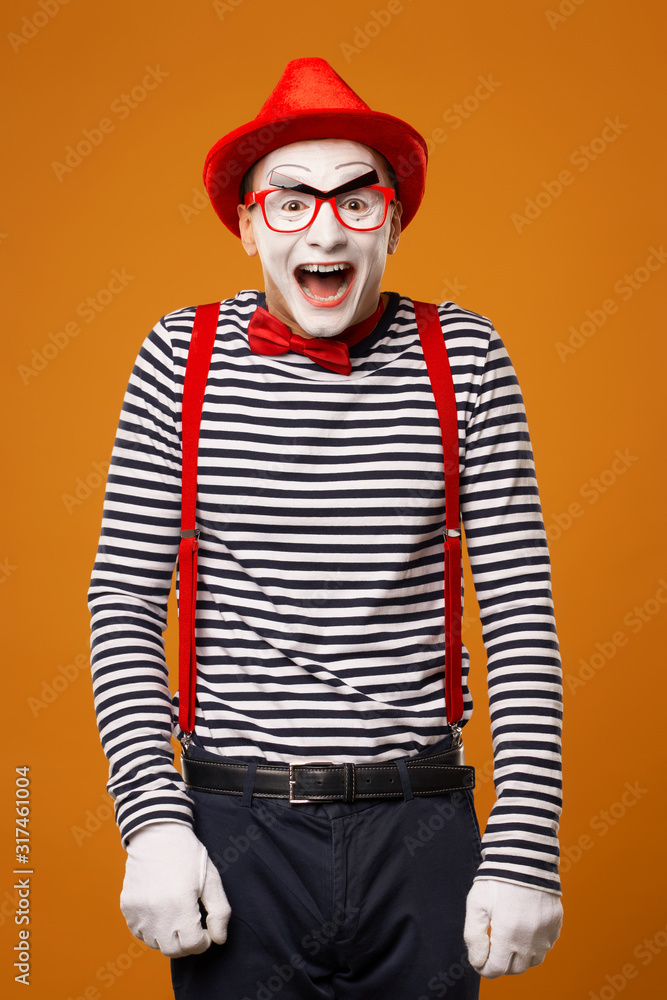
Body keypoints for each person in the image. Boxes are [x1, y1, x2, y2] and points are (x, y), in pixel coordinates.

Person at [88, 58, 563, 1000]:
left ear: (392, 220)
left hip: (420, 827)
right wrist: (152, 824)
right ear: (248, 225)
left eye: (355, 199)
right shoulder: (179, 356)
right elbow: (125, 602)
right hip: (236, 831)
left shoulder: (464, 355)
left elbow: (517, 612)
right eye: (291, 200)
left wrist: (526, 843)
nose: (325, 228)